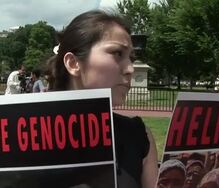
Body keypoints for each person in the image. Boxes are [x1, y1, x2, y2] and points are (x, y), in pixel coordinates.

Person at [45, 10, 158, 188]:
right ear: (73, 63)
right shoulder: (20, 136)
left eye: (131, 58)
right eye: (117, 53)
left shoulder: (139, 137)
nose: (130, 69)